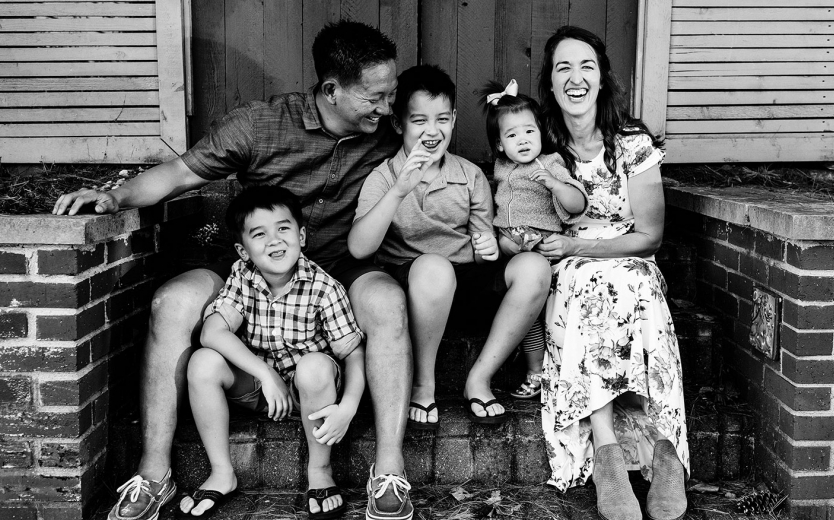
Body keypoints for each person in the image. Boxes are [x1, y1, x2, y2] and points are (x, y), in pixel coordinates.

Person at [53, 21, 418, 520]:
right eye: (374, 97)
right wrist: (114, 197)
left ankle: (389, 469)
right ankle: (155, 472)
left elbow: (439, 153)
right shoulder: (259, 124)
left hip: (341, 265)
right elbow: (180, 173)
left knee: (388, 301)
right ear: (332, 90)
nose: (386, 107)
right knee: (171, 302)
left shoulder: (390, 131)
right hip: (251, 268)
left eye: (391, 94)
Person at [533, 26, 689, 520]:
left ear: (602, 79)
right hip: (570, 266)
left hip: (629, 255)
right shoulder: (541, 144)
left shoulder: (631, 143)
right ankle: (607, 455)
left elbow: (650, 237)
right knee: (585, 281)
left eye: (587, 66)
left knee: (634, 281)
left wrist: (579, 244)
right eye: (563, 68)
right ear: (550, 83)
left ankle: (664, 449)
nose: (576, 78)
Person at [348, 64, 552, 429]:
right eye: (419, 120)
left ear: (454, 119)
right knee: (434, 268)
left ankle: (480, 377)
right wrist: (399, 190)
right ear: (398, 124)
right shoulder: (384, 177)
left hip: (465, 283)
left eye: (442, 119)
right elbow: (360, 249)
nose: (433, 130)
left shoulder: (469, 175)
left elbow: (482, 247)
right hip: (415, 288)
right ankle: (423, 383)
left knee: (534, 268)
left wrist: (489, 248)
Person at [181, 187, 364, 519]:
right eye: (259, 234)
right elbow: (211, 332)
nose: (275, 240)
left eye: (283, 228)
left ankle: (320, 471)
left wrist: (348, 407)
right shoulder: (242, 277)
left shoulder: (324, 288)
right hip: (260, 389)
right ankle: (222, 472)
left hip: (310, 394)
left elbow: (353, 354)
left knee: (314, 367)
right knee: (202, 361)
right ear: (243, 250)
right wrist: (266, 375)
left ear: (301, 236)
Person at [477, 78, 588, 402]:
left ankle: (538, 371)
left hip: (542, 248)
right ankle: (533, 369)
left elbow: (577, 203)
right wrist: (503, 241)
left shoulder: (551, 163)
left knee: (534, 316)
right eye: (512, 135)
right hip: (511, 249)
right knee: (522, 315)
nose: (523, 140)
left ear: (541, 132)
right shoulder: (501, 168)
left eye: (529, 131)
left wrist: (555, 185)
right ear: (500, 145)